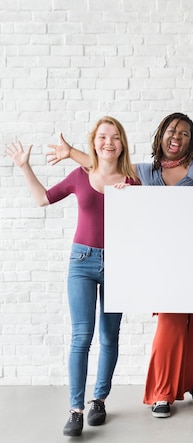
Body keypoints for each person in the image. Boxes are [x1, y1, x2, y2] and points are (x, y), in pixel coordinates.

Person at [47, 113, 193, 419]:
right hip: (163, 260)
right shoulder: (144, 172)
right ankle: (162, 392)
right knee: (170, 325)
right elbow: (108, 167)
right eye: (171, 131)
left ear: (192, 139)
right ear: (160, 136)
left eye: (184, 133)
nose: (177, 137)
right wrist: (72, 153)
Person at [5, 116, 138, 437]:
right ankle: (75, 409)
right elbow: (42, 199)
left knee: (110, 336)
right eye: (103, 137)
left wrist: (132, 199)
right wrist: (24, 166)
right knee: (82, 337)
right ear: (94, 142)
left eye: (115, 137)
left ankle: (99, 400)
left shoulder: (133, 181)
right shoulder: (80, 175)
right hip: (81, 261)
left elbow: (148, 225)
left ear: (122, 144)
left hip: (119, 265)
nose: (109, 142)